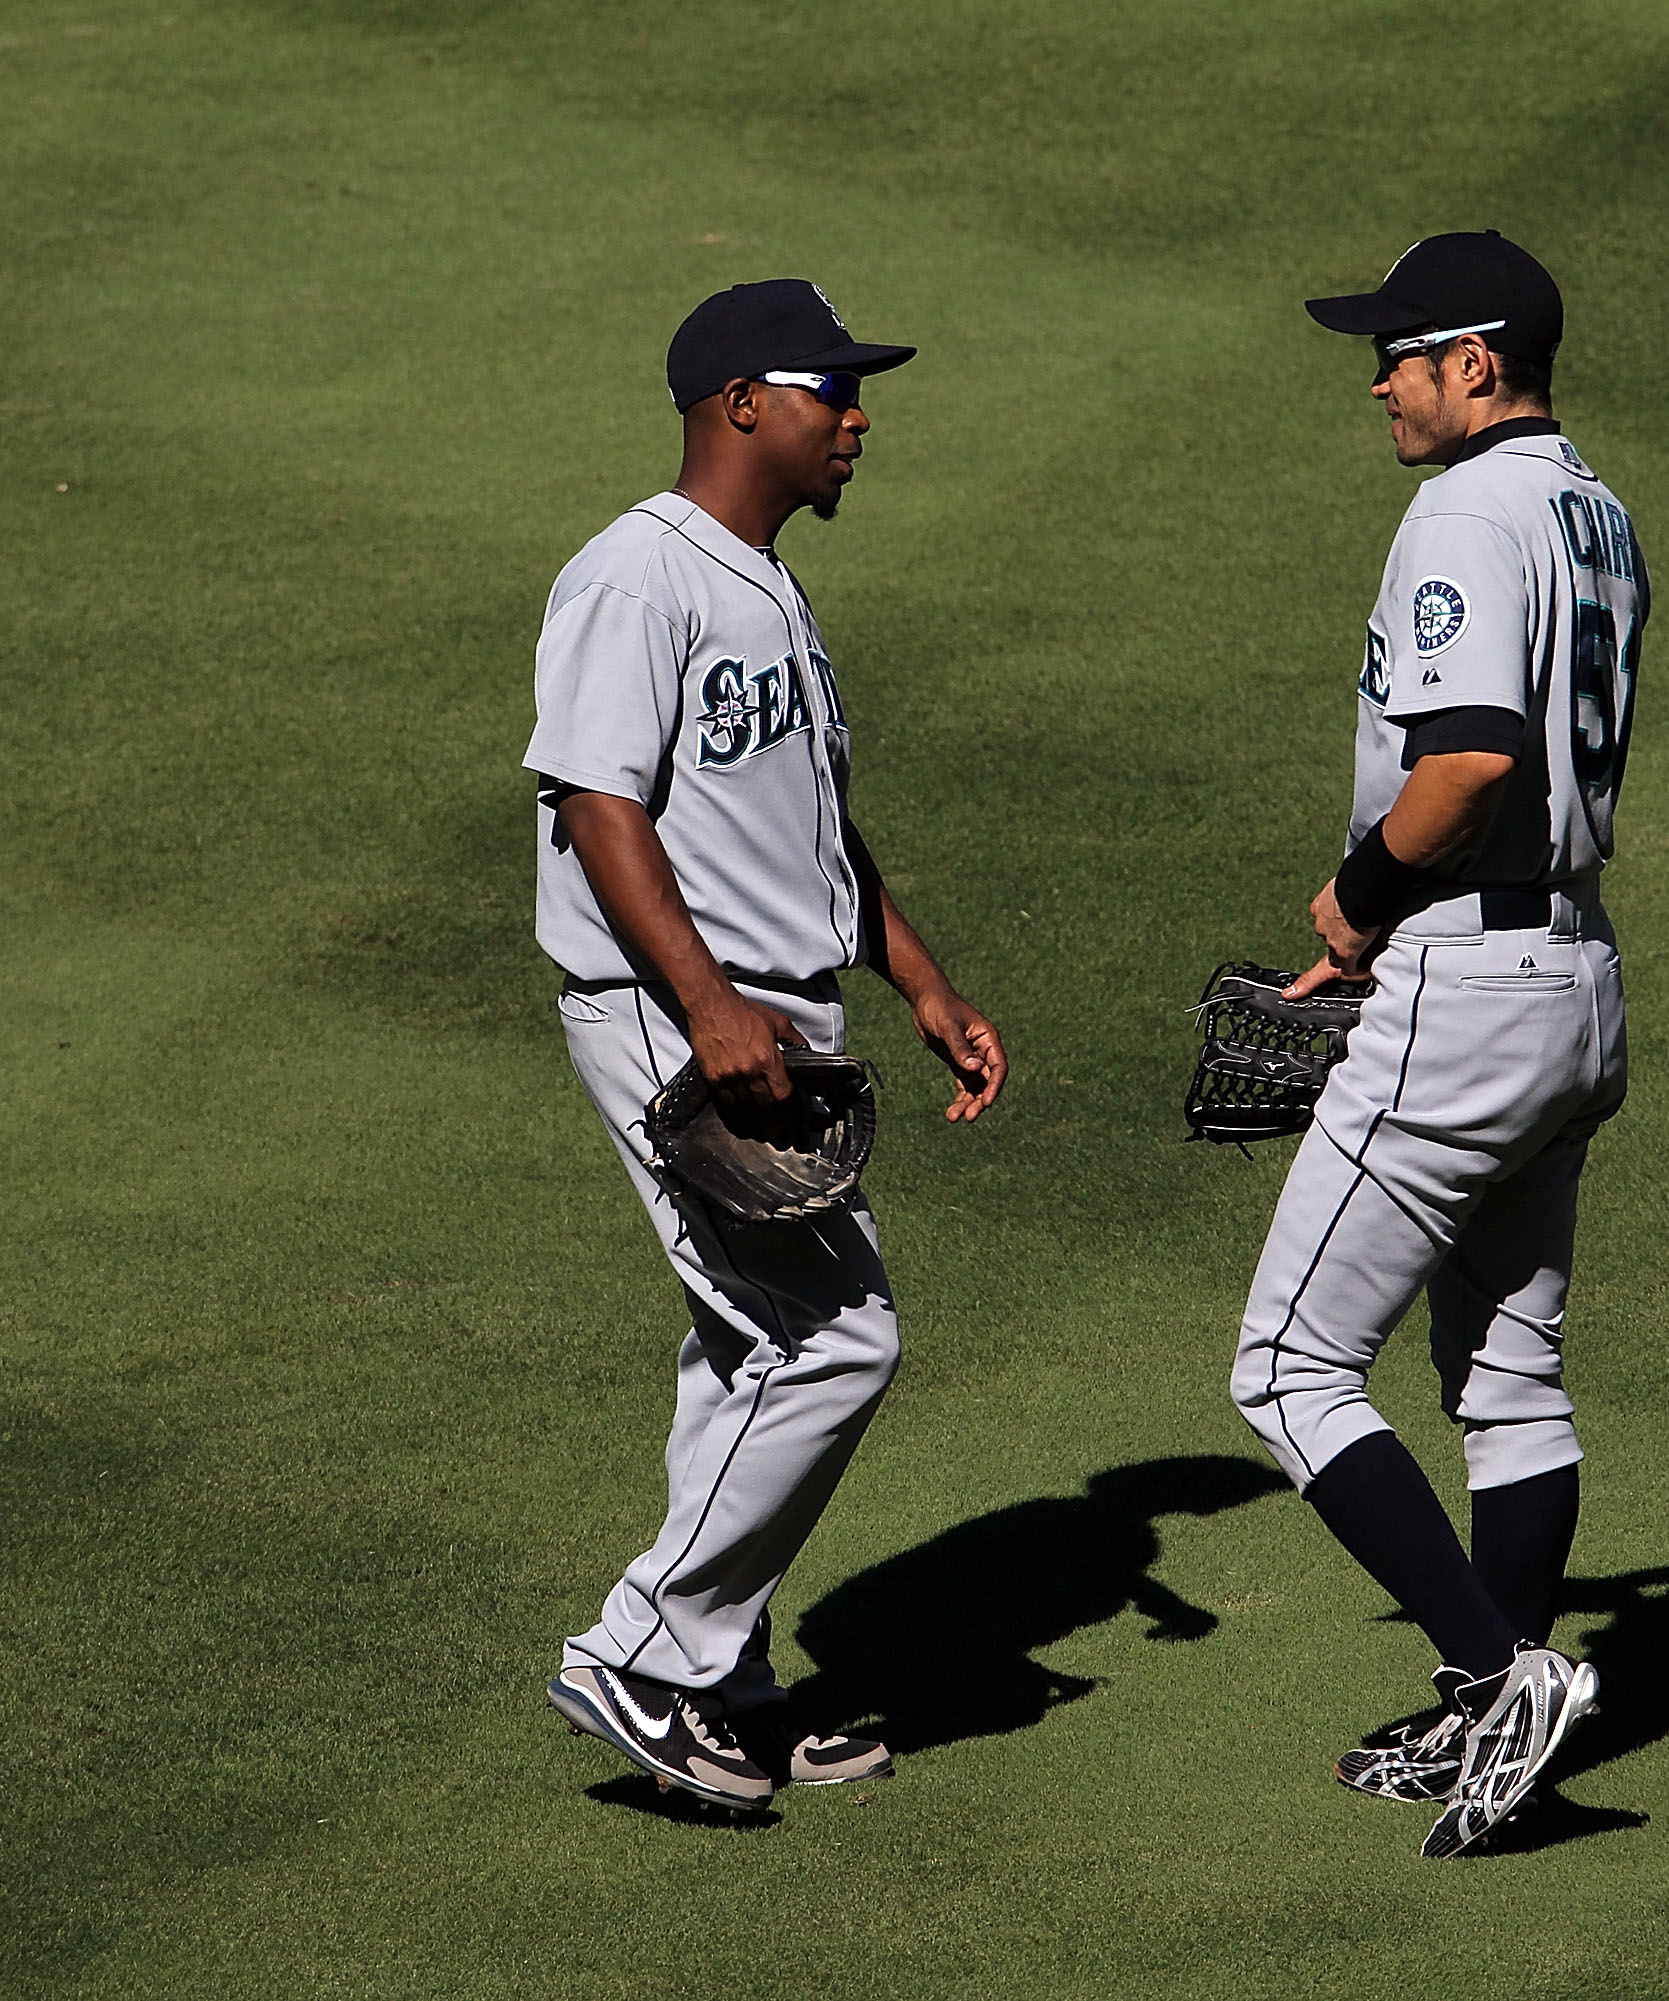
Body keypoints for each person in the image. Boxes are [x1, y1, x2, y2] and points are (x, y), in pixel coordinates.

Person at [534, 279, 1007, 1812]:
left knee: (749, 1338)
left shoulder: (767, 587)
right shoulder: (633, 578)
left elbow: (810, 828)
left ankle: (721, 1683)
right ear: (744, 401)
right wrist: (713, 1009)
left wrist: (921, 980)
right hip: (677, 1018)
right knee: (837, 1335)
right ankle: (640, 1648)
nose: (859, 417)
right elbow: (599, 809)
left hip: (772, 1017)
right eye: (833, 391)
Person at [1229, 231, 1649, 1859]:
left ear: (1480, 361)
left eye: (1404, 349)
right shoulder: (1590, 505)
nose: (1382, 376)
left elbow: (1467, 760)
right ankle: (1490, 1713)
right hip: (1578, 980)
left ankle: (1499, 1670)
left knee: (1285, 1365)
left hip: (1462, 986)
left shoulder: (1465, 510)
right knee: (1509, 1374)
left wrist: (1351, 906)